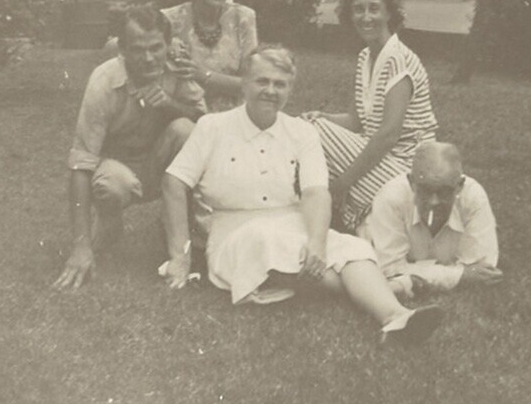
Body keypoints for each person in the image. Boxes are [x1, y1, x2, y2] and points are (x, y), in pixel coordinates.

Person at [161, 44, 442, 343]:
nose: (271, 91)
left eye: (280, 84)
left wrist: (317, 245)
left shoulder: (301, 131)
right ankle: (386, 288)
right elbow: (173, 182)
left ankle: (395, 316)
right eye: (262, 81)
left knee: (350, 247)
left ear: (290, 89)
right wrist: (180, 256)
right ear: (244, 84)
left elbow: (316, 192)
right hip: (234, 231)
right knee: (266, 244)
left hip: (291, 222)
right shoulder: (212, 126)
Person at [53, 4, 206, 291]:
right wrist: (80, 247)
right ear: (122, 50)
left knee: (186, 130)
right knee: (113, 182)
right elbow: (80, 164)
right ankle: (109, 221)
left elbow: (205, 124)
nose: (149, 58)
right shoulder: (104, 80)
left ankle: (184, 234)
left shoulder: (177, 67)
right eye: (137, 49)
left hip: (162, 165)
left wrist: (170, 105)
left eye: (156, 48)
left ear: (168, 44)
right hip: (118, 170)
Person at [304, 0, 437, 231]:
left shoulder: (397, 59)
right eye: (358, 9)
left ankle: (336, 203)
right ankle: (334, 209)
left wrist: (343, 182)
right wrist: (321, 116)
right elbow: (355, 122)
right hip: (384, 156)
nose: (366, 17)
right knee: (308, 124)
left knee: (312, 133)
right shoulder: (366, 57)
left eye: (374, 9)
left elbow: (388, 135)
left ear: (389, 13)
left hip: (409, 165)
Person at [359, 142, 503, 296]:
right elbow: (390, 270)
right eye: (425, 190)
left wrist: (413, 272)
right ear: (411, 182)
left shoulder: (473, 197)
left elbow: (483, 270)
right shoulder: (391, 198)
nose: (434, 202)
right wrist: (459, 275)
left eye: (444, 191)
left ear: (460, 186)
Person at [162, 0, 258, 113]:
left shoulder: (243, 18)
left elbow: (252, 83)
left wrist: (203, 75)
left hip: (232, 117)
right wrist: (165, 45)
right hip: (185, 116)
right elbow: (121, 47)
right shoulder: (169, 19)